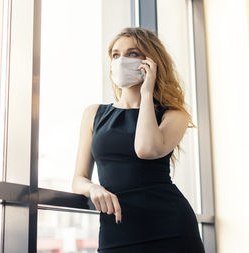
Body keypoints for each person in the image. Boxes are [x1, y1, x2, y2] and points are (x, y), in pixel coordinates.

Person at [71, 27, 206, 253]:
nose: (122, 60)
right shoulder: (94, 114)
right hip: (117, 230)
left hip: (171, 229)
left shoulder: (173, 114)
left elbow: (146, 149)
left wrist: (146, 94)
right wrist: (93, 188)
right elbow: (78, 179)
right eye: (116, 55)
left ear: (151, 61)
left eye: (132, 54)